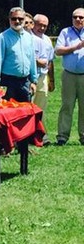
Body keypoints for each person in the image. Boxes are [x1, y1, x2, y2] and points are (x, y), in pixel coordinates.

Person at [0, 7, 37, 102]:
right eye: (14, 19)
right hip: (8, 82)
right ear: (9, 20)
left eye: (20, 19)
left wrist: (34, 81)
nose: (17, 21)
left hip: (25, 82)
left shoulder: (29, 38)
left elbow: (32, 60)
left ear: (24, 20)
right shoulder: (2, 37)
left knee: (25, 112)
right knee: (8, 112)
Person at [54, 8, 84, 146]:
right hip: (69, 75)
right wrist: (76, 47)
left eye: (81, 17)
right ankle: (62, 136)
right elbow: (58, 51)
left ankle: (83, 136)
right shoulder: (65, 32)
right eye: (75, 17)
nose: (78, 19)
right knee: (67, 106)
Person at [31, 13, 56, 145]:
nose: (42, 28)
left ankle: (40, 135)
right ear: (33, 24)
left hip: (43, 77)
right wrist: (37, 62)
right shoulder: (27, 38)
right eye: (39, 25)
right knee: (28, 108)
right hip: (30, 78)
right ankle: (26, 137)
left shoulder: (47, 40)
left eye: (45, 26)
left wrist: (51, 80)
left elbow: (51, 61)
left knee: (40, 108)